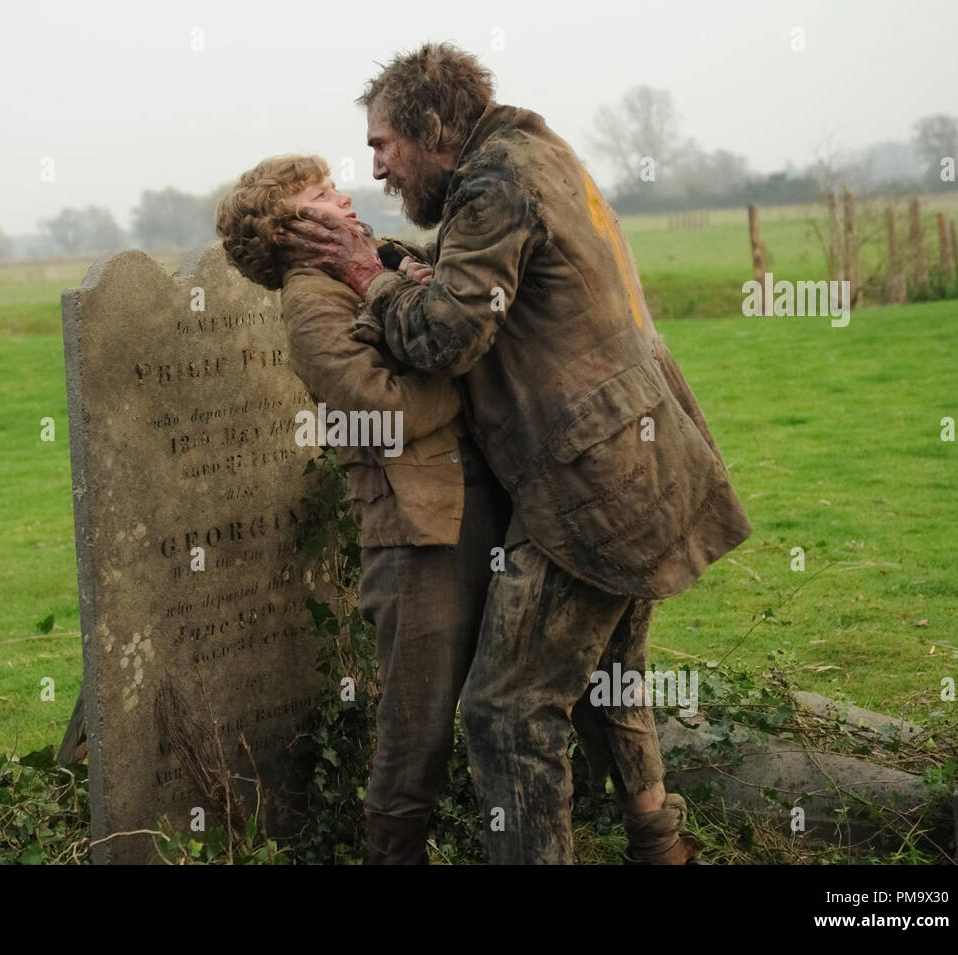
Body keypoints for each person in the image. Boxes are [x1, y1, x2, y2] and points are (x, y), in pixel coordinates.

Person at [280, 43, 753, 864]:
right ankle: (661, 844)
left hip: (592, 483)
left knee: (505, 711)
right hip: (643, 460)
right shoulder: (533, 151)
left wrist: (364, 272)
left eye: (382, 144)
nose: (378, 169)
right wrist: (404, 264)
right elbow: (485, 288)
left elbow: (445, 337)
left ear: (433, 128)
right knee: (609, 676)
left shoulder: (493, 186)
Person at [215, 154, 511, 863]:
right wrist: (468, 379)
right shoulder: (311, 303)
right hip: (418, 534)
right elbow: (378, 410)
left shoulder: (371, 260)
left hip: (468, 506)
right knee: (417, 725)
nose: (344, 194)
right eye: (321, 194)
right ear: (291, 228)